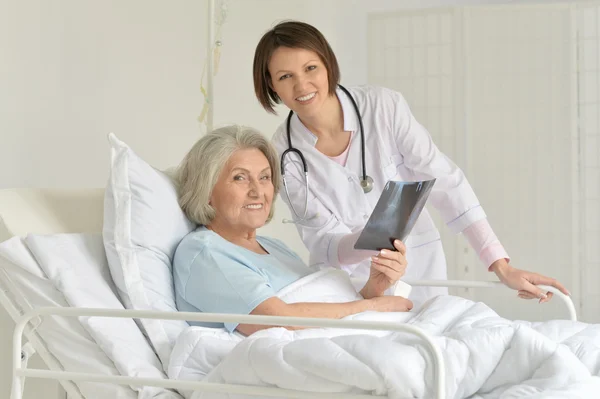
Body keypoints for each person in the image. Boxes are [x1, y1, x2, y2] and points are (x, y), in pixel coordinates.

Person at [252, 20, 569, 306]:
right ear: (271, 85)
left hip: (420, 270)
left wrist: (500, 265)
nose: (302, 85)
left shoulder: (383, 108)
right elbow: (325, 243)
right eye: (285, 76)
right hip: (349, 289)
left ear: (327, 65)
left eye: (311, 68)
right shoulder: (282, 155)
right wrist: (374, 246)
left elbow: (445, 181)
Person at [172, 125, 412, 336]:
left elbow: (326, 310)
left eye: (264, 177)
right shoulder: (203, 252)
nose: (258, 191)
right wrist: (369, 307)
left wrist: (374, 288)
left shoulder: (275, 247)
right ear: (206, 190)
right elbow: (276, 322)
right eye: (240, 178)